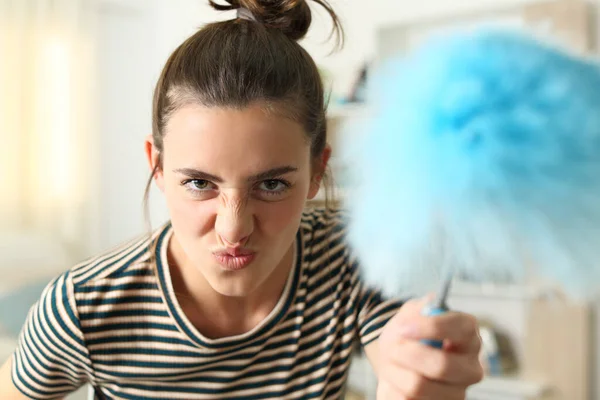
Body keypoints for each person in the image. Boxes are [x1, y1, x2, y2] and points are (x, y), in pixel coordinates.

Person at [0, 0, 483, 398]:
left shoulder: (356, 253)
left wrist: (420, 379)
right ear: (158, 166)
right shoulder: (84, 306)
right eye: (199, 183)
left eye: (271, 184)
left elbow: (403, 369)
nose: (234, 229)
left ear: (317, 170)